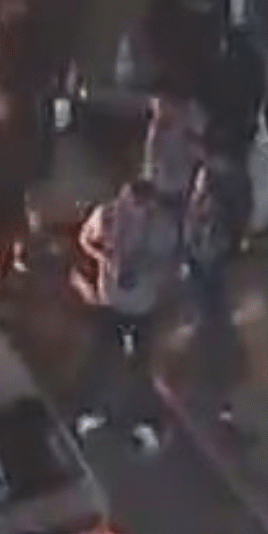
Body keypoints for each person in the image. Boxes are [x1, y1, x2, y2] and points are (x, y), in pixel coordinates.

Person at [74, 175, 182, 451]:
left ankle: (148, 422)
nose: (134, 211)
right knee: (101, 356)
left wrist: (142, 269)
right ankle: (95, 411)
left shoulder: (163, 227)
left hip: (143, 306)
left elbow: (169, 265)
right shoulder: (107, 215)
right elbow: (85, 239)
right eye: (130, 203)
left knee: (140, 363)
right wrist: (105, 258)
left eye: (141, 206)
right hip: (110, 301)